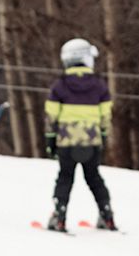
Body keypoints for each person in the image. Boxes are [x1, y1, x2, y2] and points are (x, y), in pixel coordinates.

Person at [44, 37, 116, 231]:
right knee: (93, 177)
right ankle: (106, 213)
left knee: (65, 177)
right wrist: (102, 136)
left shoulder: (59, 86)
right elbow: (105, 116)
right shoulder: (100, 86)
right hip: (91, 143)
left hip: (67, 142)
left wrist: (50, 140)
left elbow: (51, 116)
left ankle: (59, 215)